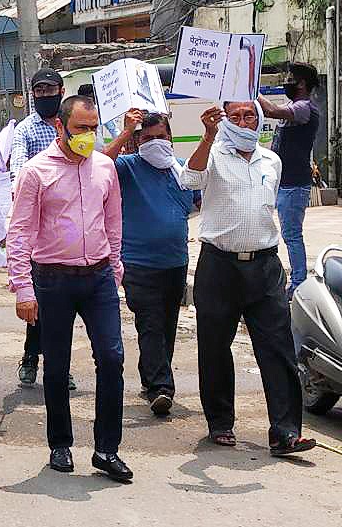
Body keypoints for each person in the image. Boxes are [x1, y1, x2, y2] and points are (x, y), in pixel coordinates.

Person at [7, 95, 132, 483]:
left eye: (94, 128)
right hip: (52, 279)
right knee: (57, 366)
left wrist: (114, 269)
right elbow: (19, 231)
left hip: (98, 278)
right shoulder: (36, 171)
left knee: (111, 358)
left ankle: (107, 449)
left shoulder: (105, 168)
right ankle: (60, 443)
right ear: (60, 127)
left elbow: (113, 223)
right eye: (81, 128)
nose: (88, 136)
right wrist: (23, 288)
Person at [182, 102, 317, 456]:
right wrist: (208, 136)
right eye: (236, 116)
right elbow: (189, 180)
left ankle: (286, 432)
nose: (244, 122)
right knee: (214, 347)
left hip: (265, 265)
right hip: (219, 265)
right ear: (225, 120)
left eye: (250, 115)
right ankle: (221, 422)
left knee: (277, 347)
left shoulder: (271, 160)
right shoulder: (213, 154)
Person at [105, 109, 198, 416]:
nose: (156, 143)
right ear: (137, 142)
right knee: (151, 321)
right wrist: (125, 132)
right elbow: (99, 166)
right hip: (137, 262)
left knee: (166, 324)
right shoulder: (127, 167)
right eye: (147, 138)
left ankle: (151, 376)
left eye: (161, 137)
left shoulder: (180, 170)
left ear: (170, 138)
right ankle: (162, 386)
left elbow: (194, 201)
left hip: (175, 261)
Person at [11, 68, 75, 392]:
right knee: (40, 301)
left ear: (62, 91)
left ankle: (57, 363)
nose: (45, 95)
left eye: (51, 90)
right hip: (38, 231)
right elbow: (18, 172)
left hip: (72, 230)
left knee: (63, 305)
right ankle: (32, 357)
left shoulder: (74, 129)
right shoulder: (25, 131)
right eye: (39, 91)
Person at [258, 63, 321, 295]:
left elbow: (271, 111)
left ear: (302, 83)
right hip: (282, 182)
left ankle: (299, 283)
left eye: (290, 77)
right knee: (278, 231)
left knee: (292, 234)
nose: (287, 81)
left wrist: (253, 88)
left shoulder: (305, 108)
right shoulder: (295, 105)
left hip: (294, 184)